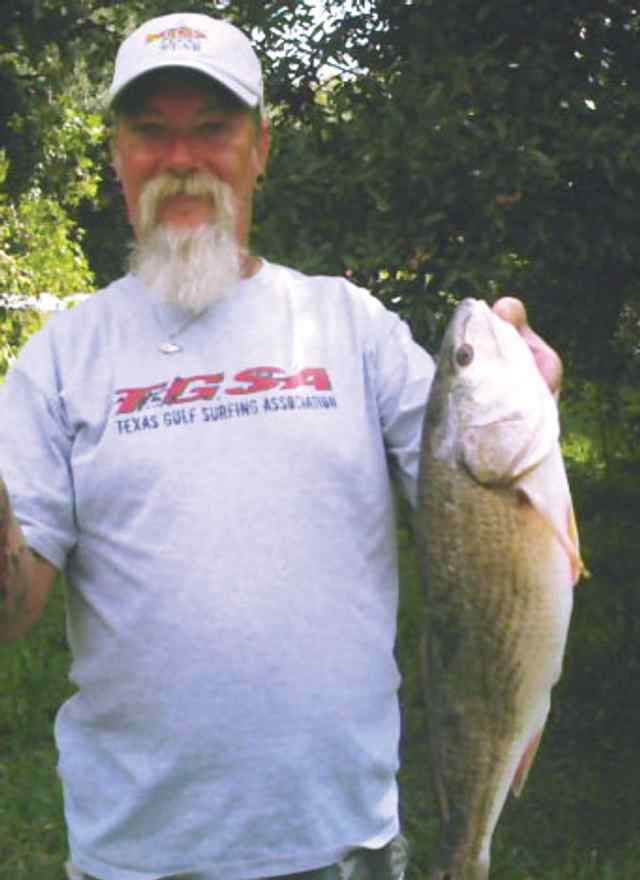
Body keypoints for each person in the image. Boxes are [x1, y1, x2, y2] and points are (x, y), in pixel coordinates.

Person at [0, 12, 562, 880]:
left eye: (212, 128)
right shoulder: (60, 360)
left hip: (345, 847)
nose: (180, 157)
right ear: (116, 153)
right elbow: (15, 605)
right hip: (133, 860)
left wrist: (527, 396)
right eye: (151, 131)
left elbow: (475, 488)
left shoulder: (350, 326)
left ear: (261, 146)